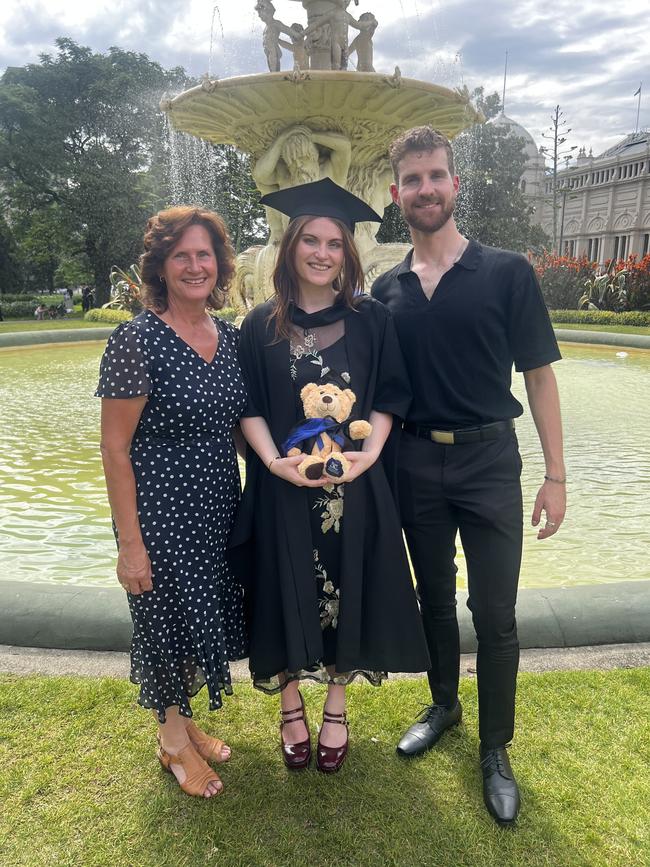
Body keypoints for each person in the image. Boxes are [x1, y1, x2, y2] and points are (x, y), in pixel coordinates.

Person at [372, 126, 566, 826]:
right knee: (432, 599)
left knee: (496, 614)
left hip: (490, 460)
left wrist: (557, 475)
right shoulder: (384, 288)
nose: (425, 188)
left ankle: (495, 749)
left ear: (455, 184)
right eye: (413, 180)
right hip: (414, 461)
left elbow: (539, 377)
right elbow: (373, 391)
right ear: (396, 196)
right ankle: (445, 704)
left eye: (436, 176)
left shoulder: (507, 271)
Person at [230, 177, 430, 774]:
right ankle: (291, 704)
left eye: (334, 243)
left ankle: (336, 705)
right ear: (290, 247)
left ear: (348, 253)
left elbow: (389, 397)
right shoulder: (260, 323)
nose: (321, 253)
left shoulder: (372, 321)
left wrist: (368, 458)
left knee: (350, 586)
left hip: (356, 485)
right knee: (279, 584)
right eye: (310, 240)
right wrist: (272, 464)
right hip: (281, 486)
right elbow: (250, 407)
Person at [96, 206, 248, 798]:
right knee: (162, 620)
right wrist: (130, 545)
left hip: (216, 506)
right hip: (157, 511)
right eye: (181, 255)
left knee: (196, 616)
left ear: (219, 264)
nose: (194, 266)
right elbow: (114, 450)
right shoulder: (136, 340)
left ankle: (182, 723)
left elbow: (237, 426)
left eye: (204, 254)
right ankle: (172, 742)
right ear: (160, 265)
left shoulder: (228, 338)